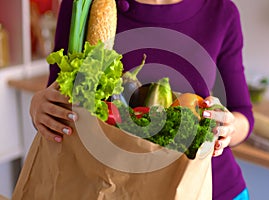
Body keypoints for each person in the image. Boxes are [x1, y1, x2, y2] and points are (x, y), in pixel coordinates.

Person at [30, 0, 254, 199]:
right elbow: (61, 101)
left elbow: (243, 114)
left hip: (206, 187)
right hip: (114, 187)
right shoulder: (86, 4)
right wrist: (40, 107)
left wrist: (227, 128)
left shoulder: (221, 11)